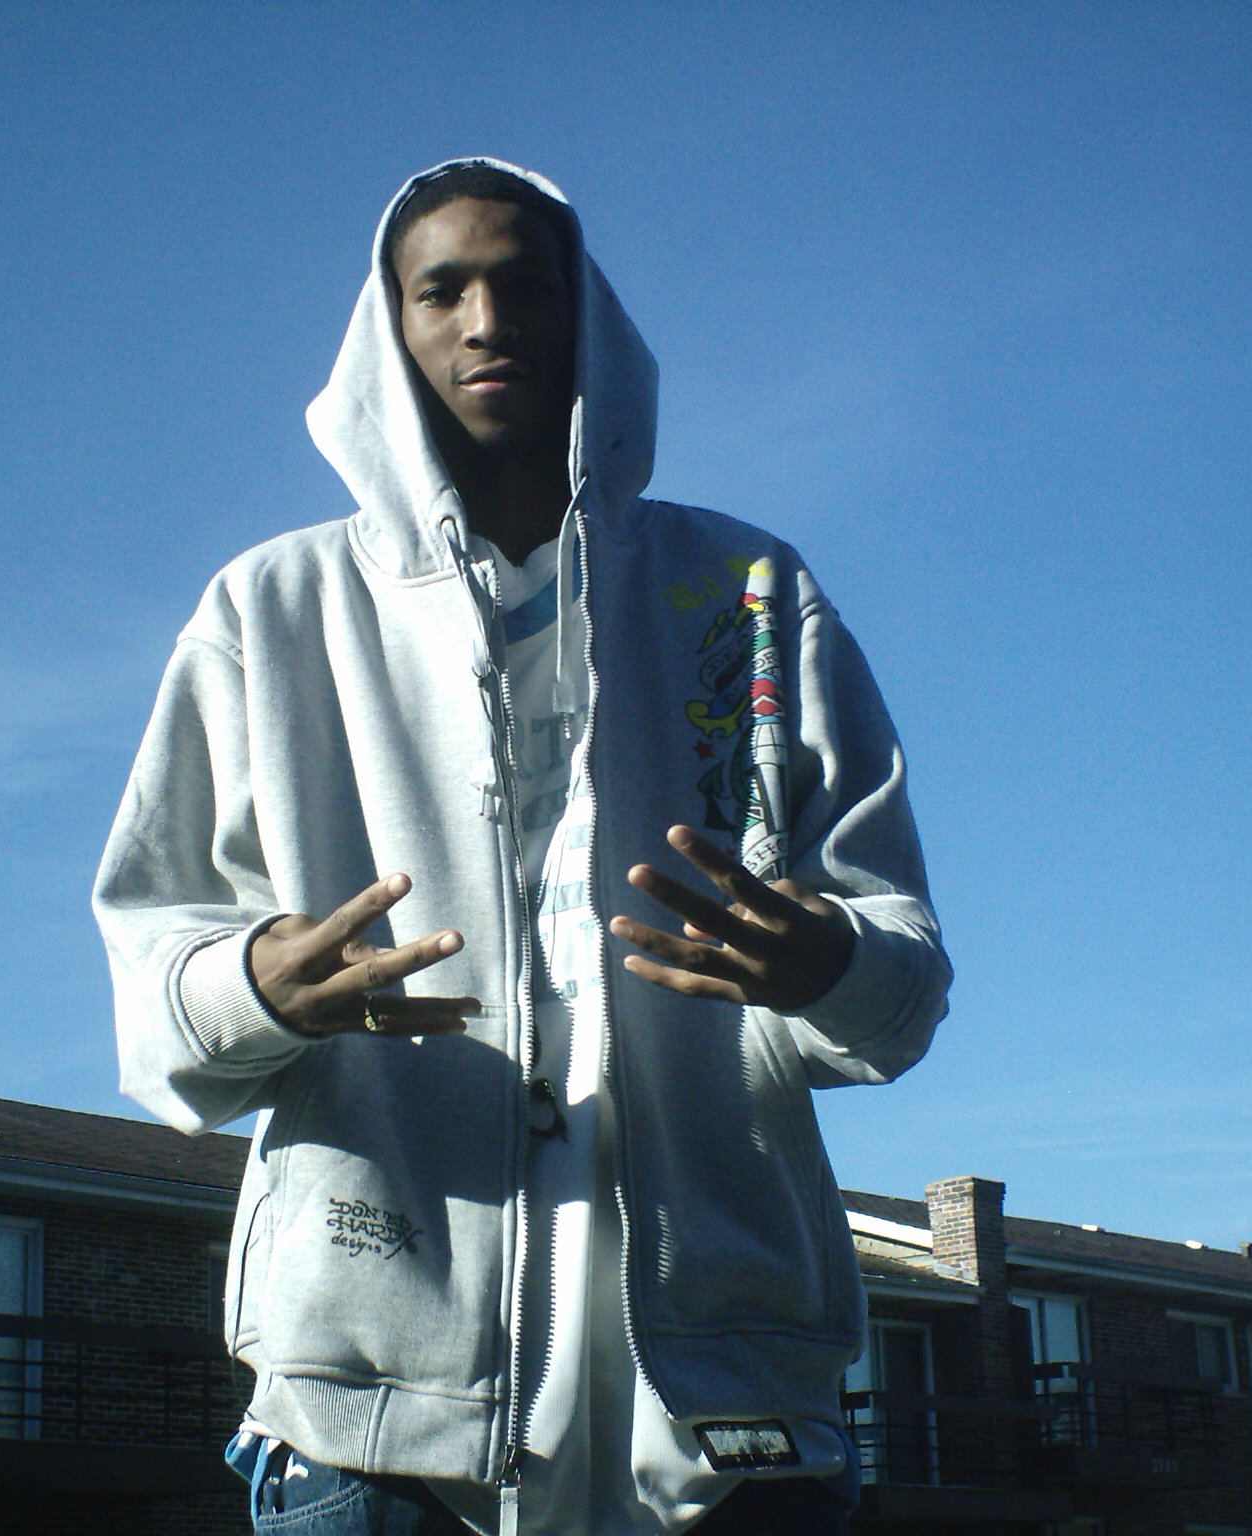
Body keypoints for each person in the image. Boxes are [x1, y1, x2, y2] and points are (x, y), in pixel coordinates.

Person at [94, 159, 950, 1536]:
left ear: (584, 315)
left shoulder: (745, 594)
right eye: (443, 290)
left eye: (525, 285)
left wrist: (825, 962)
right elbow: (154, 987)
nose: (487, 321)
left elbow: (902, 980)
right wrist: (253, 985)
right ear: (389, 327)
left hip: (727, 1429)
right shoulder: (272, 609)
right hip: (378, 1428)